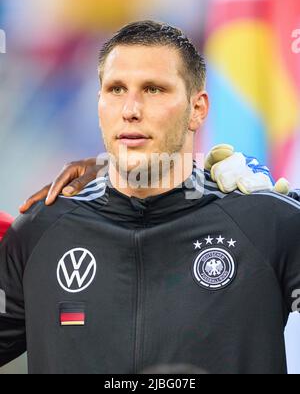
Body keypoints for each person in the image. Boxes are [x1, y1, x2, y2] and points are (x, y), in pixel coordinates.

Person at [1, 20, 300, 374]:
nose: (130, 109)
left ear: (198, 109)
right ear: (98, 103)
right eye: (115, 89)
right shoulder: (39, 233)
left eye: (153, 89)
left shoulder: (267, 225)